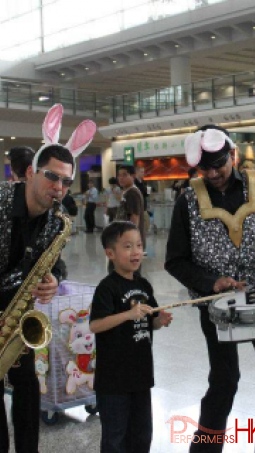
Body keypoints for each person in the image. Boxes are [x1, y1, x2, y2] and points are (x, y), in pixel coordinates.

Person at [165, 124, 255, 453]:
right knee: (225, 381)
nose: (213, 173)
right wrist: (211, 282)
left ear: (232, 154)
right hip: (217, 306)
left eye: (219, 163)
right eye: (205, 167)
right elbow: (175, 261)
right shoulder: (187, 200)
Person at [0, 102, 96, 453]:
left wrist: (54, 278)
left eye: (66, 181)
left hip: (17, 317)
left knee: (27, 388)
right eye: (52, 176)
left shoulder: (58, 222)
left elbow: (54, 262)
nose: (59, 186)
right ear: (30, 173)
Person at [90, 221, 172, 453]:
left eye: (138, 245)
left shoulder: (144, 285)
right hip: (114, 381)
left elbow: (149, 321)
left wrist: (159, 320)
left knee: (141, 435)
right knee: (115, 439)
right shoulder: (107, 288)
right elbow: (95, 325)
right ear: (110, 253)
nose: (136, 251)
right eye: (127, 246)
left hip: (141, 375)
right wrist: (127, 314)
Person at [116, 165, 146, 251]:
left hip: (130, 242)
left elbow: (135, 217)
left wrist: (130, 241)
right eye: (119, 175)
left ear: (133, 176)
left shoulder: (132, 193)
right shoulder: (127, 192)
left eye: (125, 175)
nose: (121, 178)